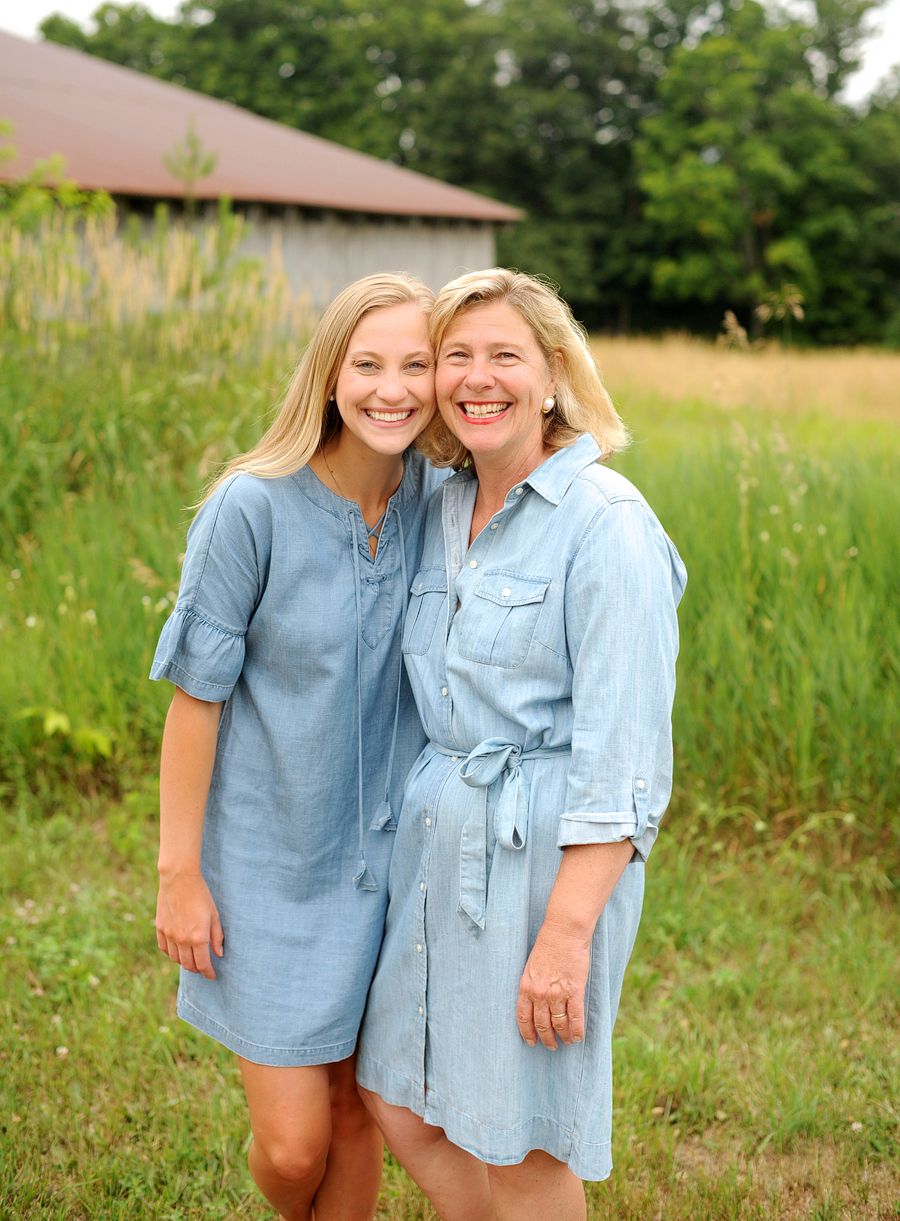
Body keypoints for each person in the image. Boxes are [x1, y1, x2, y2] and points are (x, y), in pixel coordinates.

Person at [357, 268, 687, 1221]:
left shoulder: (607, 524)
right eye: (455, 356)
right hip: (437, 832)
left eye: (505, 354)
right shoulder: (438, 506)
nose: (477, 377)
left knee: (523, 1134)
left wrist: (565, 936)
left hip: (541, 852)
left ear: (553, 375)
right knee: (400, 1087)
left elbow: (624, 765)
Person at [150, 272, 444, 1221]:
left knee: (359, 1117)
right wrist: (178, 874)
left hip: (392, 866)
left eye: (415, 364)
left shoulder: (441, 497)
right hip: (269, 863)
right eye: (368, 363)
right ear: (329, 373)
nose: (390, 388)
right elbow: (197, 699)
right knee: (292, 1146)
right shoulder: (252, 506)